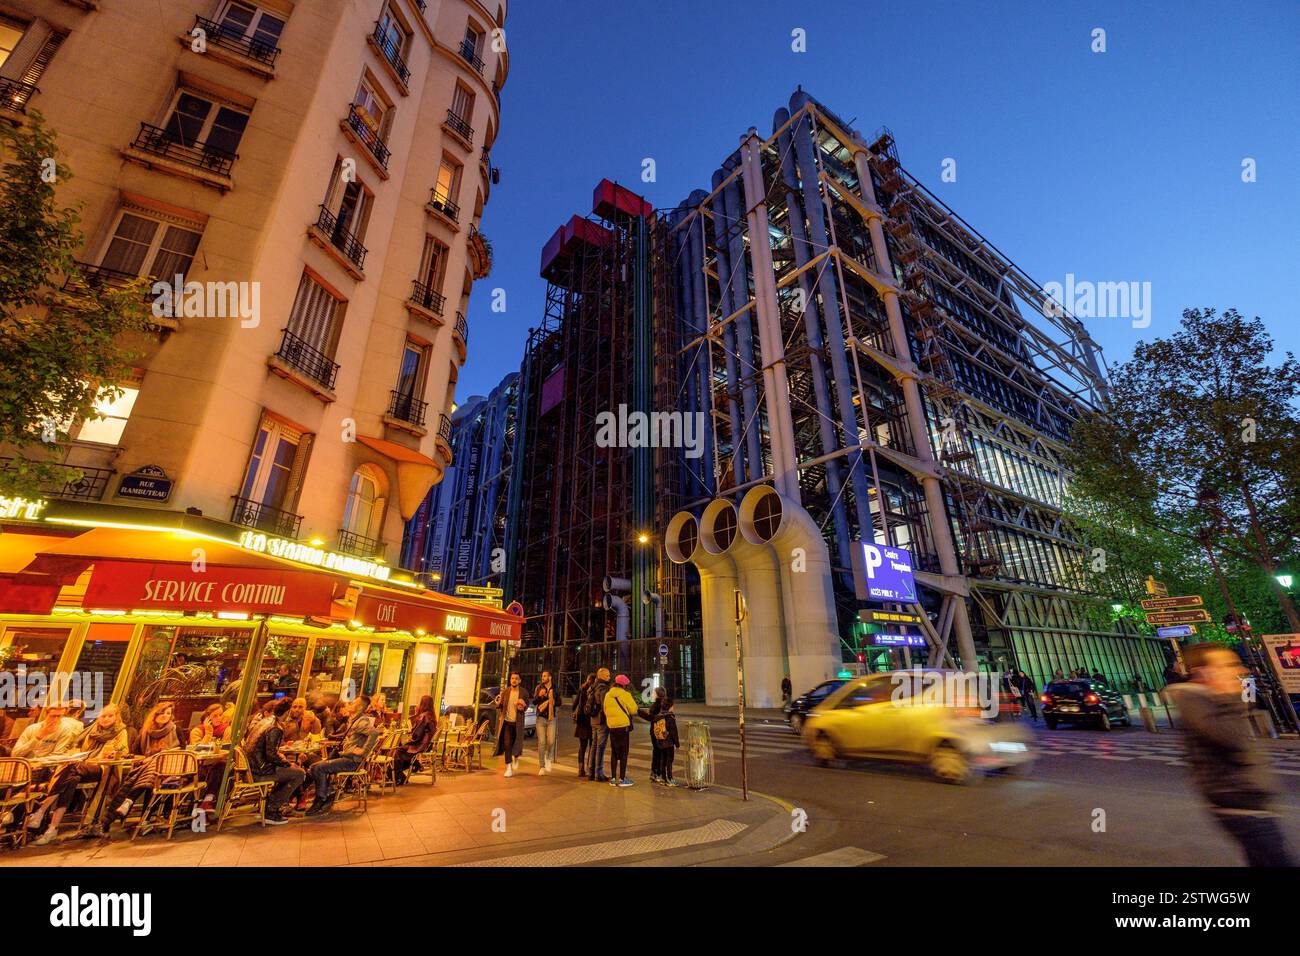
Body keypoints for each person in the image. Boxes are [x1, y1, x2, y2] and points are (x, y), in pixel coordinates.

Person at [1164, 643, 1294, 867]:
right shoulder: (1195, 701)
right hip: (1238, 802)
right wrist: (1229, 695)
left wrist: (1249, 685)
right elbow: (1232, 737)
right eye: (1228, 665)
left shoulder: (1214, 699)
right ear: (1205, 672)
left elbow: (1249, 706)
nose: (1239, 670)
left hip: (1253, 802)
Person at [28, 703, 130, 845]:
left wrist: (115, 753)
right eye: (103, 716)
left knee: (72, 768)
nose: (105, 719)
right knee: (71, 779)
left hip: (100, 768)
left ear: (116, 717)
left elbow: (124, 751)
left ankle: (41, 810)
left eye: (110, 716)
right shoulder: (91, 730)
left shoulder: (120, 732)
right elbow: (78, 748)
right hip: (82, 766)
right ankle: (52, 829)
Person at [94, 701, 182, 837]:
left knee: (155, 771)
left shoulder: (176, 730)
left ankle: (130, 802)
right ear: (155, 715)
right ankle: (131, 820)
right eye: (162, 712)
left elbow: (183, 751)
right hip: (148, 771)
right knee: (150, 781)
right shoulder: (145, 733)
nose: (165, 716)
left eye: (168, 713)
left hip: (171, 769)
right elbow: (136, 752)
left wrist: (157, 756)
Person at [306, 694, 376, 816]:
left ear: (359, 708)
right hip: (347, 757)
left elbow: (374, 733)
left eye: (353, 702)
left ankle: (321, 799)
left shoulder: (361, 721)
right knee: (313, 767)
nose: (350, 703)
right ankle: (328, 793)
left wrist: (364, 751)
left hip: (351, 761)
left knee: (318, 768)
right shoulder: (354, 720)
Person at [247, 696, 306, 824]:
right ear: (287, 712)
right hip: (261, 771)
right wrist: (286, 763)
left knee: (292, 770)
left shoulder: (265, 721)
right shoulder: (275, 728)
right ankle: (271, 810)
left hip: (251, 767)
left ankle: (270, 806)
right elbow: (271, 755)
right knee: (299, 773)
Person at [603, 674, 640, 788]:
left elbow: (605, 710)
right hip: (623, 727)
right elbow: (634, 710)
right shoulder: (625, 694)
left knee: (614, 752)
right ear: (624, 685)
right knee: (624, 753)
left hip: (612, 727)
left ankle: (613, 779)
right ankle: (623, 779)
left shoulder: (608, 695)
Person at [394, 695, 437, 785]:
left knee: (397, 752)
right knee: (401, 750)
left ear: (423, 704)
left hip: (419, 745)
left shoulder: (424, 716)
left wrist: (411, 737)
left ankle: (399, 777)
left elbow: (417, 734)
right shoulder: (431, 715)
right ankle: (415, 765)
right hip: (426, 745)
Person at [494, 672, 528, 778]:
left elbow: (526, 706)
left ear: (520, 680)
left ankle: (516, 757)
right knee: (507, 744)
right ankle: (508, 768)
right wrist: (498, 703)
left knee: (516, 744)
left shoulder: (524, 692)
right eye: (512, 678)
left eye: (516, 678)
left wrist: (523, 706)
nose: (514, 680)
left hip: (517, 723)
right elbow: (500, 705)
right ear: (510, 680)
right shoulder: (505, 691)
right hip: (507, 722)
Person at [585, 668, 612, 782]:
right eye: (607, 675)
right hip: (601, 721)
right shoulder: (603, 688)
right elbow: (603, 704)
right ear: (602, 676)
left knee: (594, 747)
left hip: (593, 720)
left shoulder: (592, 687)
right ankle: (598, 773)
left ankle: (591, 772)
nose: (609, 677)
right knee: (600, 747)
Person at [532, 670, 561, 775]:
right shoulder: (539, 688)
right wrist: (540, 696)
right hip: (540, 718)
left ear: (550, 677)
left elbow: (559, 702)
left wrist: (552, 702)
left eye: (545, 676)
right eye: (542, 676)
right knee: (542, 742)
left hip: (552, 718)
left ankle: (548, 758)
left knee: (551, 741)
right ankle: (542, 766)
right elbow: (534, 701)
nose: (542, 678)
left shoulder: (555, 688)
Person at [652, 697, 680, 787]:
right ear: (670, 707)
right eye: (672, 706)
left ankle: (663, 778)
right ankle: (670, 779)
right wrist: (677, 743)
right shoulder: (670, 717)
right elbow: (674, 731)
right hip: (669, 743)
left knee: (663, 761)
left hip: (660, 741)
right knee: (669, 761)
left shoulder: (658, 716)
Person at [573, 674, 594, 778]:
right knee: (592, 747)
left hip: (581, 721)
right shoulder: (593, 690)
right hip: (591, 721)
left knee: (582, 747)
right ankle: (590, 768)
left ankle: (581, 770)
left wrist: (575, 712)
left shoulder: (582, 689)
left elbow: (575, 704)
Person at [646, 686, 666, 782]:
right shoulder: (664, 704)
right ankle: (659, 773)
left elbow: (651, 718)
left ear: (658, 695)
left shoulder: (656, 705)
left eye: (654, 693)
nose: (652, 694)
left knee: (656, 752)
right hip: (662, 732)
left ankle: (655, 772)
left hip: (655, 732)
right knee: (660, 752)